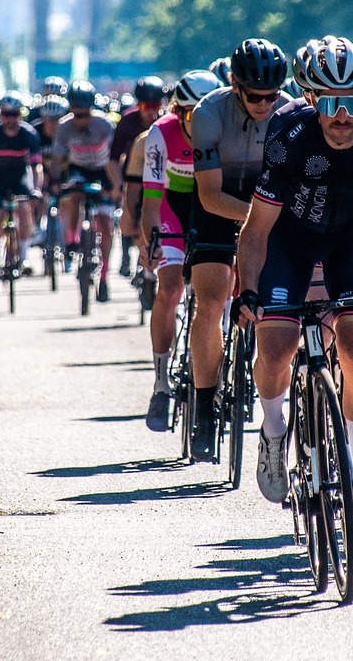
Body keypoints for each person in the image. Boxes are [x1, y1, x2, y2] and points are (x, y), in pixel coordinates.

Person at [238, 35, 353, 529]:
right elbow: (256, 230)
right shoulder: (288, 134)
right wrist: (248, 289)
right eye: (331, 103)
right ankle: (275, 432)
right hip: (289, 238)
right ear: (310, 98)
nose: (342, 116)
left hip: (351, 239)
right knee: (277, 347)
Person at [188, 39, 293, 452]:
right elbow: (210, 195)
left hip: (269, 203)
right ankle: (204, 404)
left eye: (272, 95)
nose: (265, 104)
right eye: (255, 97)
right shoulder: (208, 114)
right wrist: (260, 217)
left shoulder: (290, 112)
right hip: (219, 204)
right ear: (235, 86)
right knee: (212, 300)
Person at [140, 72, 220, 442]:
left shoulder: (222, 131)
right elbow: (151, 200)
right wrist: (152, 242)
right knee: (170, 289)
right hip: (172, 211)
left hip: (212, 211)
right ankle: (160, 383)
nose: (197, 122)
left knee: (220, 294)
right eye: (189, 113)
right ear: (177, 110)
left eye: (204, 114)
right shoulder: (161, 133)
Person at [54, 81, 117, 301]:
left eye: (85, 115)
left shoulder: (105, 125)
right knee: (74, 195)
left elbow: (115, 157)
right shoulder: (64, 126)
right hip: (78, 168)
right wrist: (55, 181)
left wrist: (115, 186)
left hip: (103, 170)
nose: (81, 120)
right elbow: (57, 158)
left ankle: (104, 276)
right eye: (77, 115)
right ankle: (71, 239)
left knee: (106, 225)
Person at [0, 93, 42, 281]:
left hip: (19, 178)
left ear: (20, 114)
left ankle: (23, 257)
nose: (10, 119)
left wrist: (36, 189)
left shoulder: (29, 134)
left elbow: (36, 166)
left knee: (24, 210)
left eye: (14, 114)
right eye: (6, 114)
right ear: (0, 114)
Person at [111, 76, 167, 275]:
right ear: (138, 105)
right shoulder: (127, 121)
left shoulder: (165, 122)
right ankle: (126, 249)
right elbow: (113, 159)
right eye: (145, 106)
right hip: (133, 173)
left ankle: (145, 262)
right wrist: (118, 185)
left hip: (160, 173)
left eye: (156, 106)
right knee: (130, 215)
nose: (151, 112)